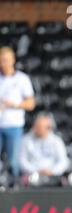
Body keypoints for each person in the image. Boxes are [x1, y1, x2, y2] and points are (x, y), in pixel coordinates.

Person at [0, 47, 35, 181]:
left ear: (13, 60)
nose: (5, 63)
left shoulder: (22, 79)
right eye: (2, 60)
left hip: (13, 126)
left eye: (7, 60)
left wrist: (13, 105)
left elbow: (31, 104)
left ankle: (14, 188)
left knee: (13, 162)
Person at [19, 112, 69, 180]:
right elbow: (22, 161)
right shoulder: (26, 140)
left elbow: (63, 161)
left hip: (53, 176)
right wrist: (36, 171)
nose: (35, 129)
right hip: (32, 176)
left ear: (48, 128)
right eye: (35, 126)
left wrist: (52, 171)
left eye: (39, 127)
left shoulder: (57, 141)